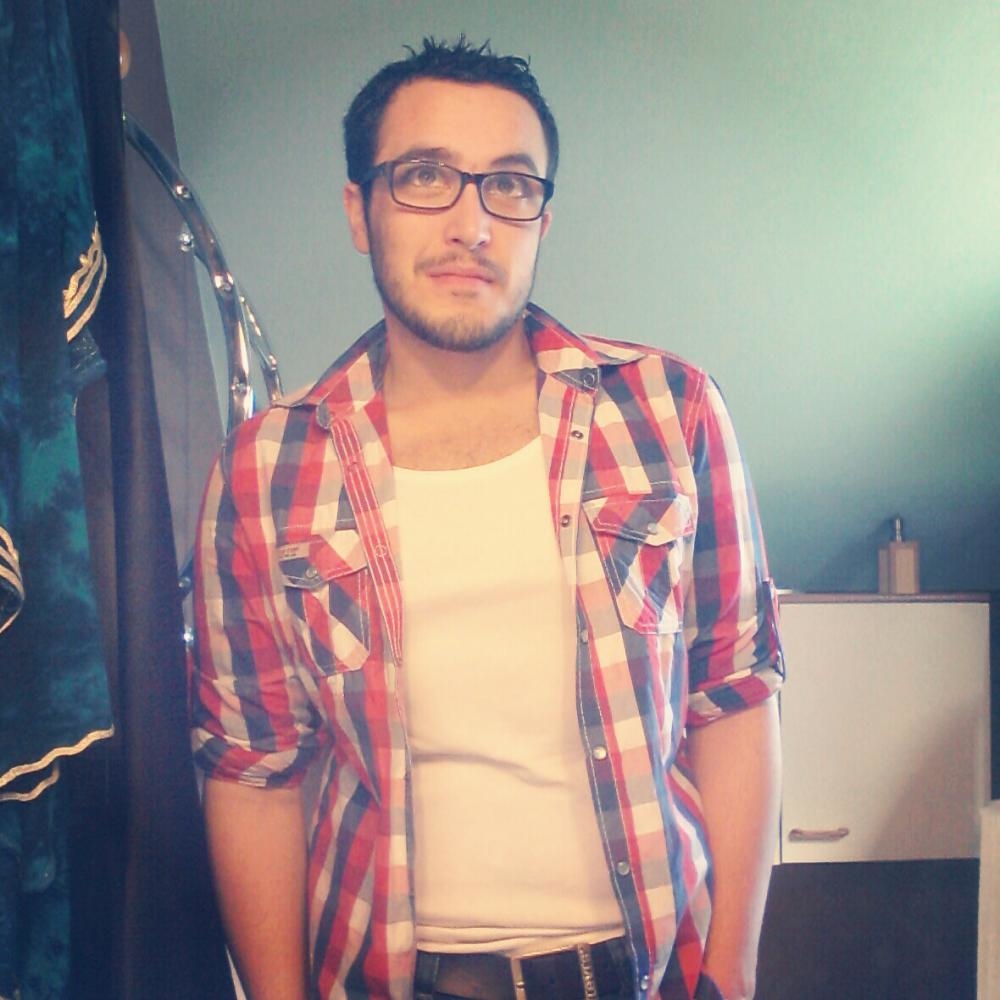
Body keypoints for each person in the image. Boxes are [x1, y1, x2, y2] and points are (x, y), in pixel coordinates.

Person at [191, 37, 784, 1000]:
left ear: (541, 219)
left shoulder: (672, 412)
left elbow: (737, 696)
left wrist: (732, 974)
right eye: (425, 176)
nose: (471, 224)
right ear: (359, 211)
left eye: (508, 185)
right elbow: (254, 771)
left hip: (644, 975)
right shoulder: (267, 467)